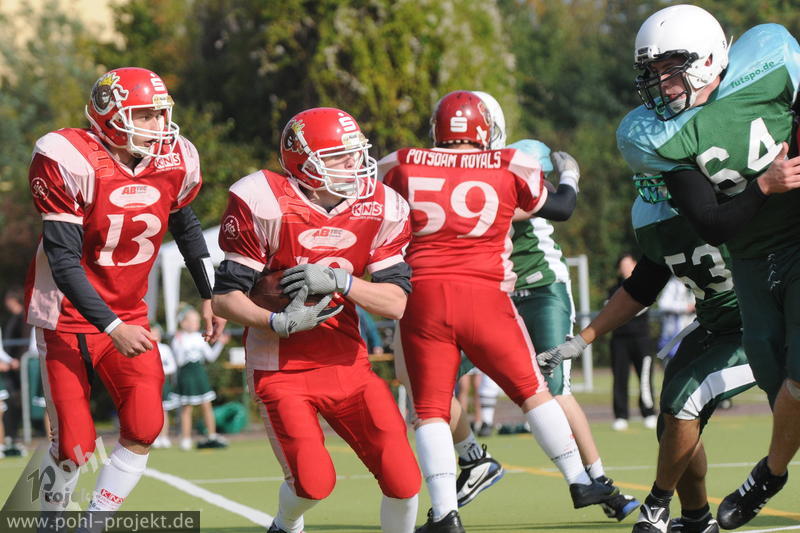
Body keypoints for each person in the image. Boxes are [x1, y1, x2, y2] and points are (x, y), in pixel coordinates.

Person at [380, 90, 615, 532]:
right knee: (532, 391)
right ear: (484, 131)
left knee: (429, 408)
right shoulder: (509, 163)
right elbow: (562, 208)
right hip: (486, 296)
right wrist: (569, 176)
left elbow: (367, 203)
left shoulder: (402, 163)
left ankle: (446, 513)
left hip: (425, 298)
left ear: (436, 129)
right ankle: (580, 480)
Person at [616, 4, 800, 528]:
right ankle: (767, 473)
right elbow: (713, 225)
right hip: (751, 258)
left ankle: (763, 476)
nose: (661, 84)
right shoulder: (658, 136)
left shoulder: (769, 63)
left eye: (671, 69)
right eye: (653, 72)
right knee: (780, 384)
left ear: (709, 60)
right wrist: (764, 186)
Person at [23, 67, 225, 521]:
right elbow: (63, 261)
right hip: (66, 314)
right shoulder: (71, 159)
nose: (159, 125)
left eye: (160, 113)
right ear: (110, 117)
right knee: (73, 445)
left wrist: (208, 293)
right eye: (145, 115)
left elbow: (185, 223)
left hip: (128, 310)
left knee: (146, 424)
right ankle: (50, 523)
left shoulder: (174, 159)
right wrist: (111, 326)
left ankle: (94, 523)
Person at [211, 107, 421, 533]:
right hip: (281, 369)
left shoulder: (381, 205)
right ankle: (285, 525)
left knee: (404, 480)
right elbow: (224, 299)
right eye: (339, 155)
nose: (355, 163)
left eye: (356, 152)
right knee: (313, 484)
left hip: (349, 366)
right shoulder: (264, 201)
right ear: (303, 162)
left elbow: (396, 304)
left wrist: (345, 281)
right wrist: (277, 322)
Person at [538, 174, 757, 533]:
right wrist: (581, 340)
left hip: (758, 325)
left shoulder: (736, 196)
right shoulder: (661, 220)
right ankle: (697, 519)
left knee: (682, 402)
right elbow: (640, 288)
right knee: (671, 424)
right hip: (712, 324)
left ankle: (656, 505)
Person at [471, 91, 639, 522]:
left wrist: (566, 179)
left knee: (554, 386)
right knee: (436, 379)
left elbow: (516, 207)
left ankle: (600, 481)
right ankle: (471, 459)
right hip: (498, 292)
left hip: (543, 288)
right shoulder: (473, 174)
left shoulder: (516, 164)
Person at [609, 253, 657, 431]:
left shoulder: (645, 285)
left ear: (635, 265)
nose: (625, 268)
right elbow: (611, 311)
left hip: (641, 338)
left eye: (628, 264)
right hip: (619, 340)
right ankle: (621, 416)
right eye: (622, 266)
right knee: (620, 378)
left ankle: (649, 412)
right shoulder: (614, 290)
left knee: (645, 377)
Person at [171, 305, 229, 450]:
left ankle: (212, 435)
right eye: (192, 321)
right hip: (186, 376)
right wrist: (179, 344)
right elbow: (179, 361)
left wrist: (220, 344)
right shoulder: (178, 339)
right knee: (186, 409)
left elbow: (211, 357)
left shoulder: (199, 337)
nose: (196, 324)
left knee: (207, 406)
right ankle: (185, 439)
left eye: (197, 321)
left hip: (199, 375)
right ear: (183, 323)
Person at [2, 286, 30, 449]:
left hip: (19, 366)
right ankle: (11, 434)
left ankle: (15, 434)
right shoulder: (13, 318)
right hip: (10, 365)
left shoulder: (24, 318)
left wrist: (19, 360)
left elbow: (26, 342)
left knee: (19, 399)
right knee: (11, 399)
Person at [150, 324, 179, 449]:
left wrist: (159, 371)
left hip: (163, 383)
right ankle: (154, 437)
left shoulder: (165, 348)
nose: (155, 336)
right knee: (151, 411)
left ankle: (164, 436)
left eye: (157, 333)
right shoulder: (145, 347)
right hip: (150, 384)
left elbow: (172, 366)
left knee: (163, 411)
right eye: (152, 333)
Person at [656, 277, 695, 360]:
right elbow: (663, 304)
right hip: (674, 332)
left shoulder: (697, 283)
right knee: (672, 361)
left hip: (691, 330)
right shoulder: (674, 283)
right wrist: (685, 307)